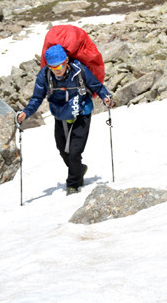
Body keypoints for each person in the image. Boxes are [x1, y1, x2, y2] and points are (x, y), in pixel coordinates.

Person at [16, 44, 115, 195]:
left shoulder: (79, 70)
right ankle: (79, 170)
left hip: (81, 112)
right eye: (53, 68)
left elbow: (97, 86)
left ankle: (73, 184)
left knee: (75, 151)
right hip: (60, 113)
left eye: (59, 67)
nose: (57, 71)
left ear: (66, 61)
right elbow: (37, 98)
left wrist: (106, 97)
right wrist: (25, 113)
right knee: (63, 150)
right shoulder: (45, 75)